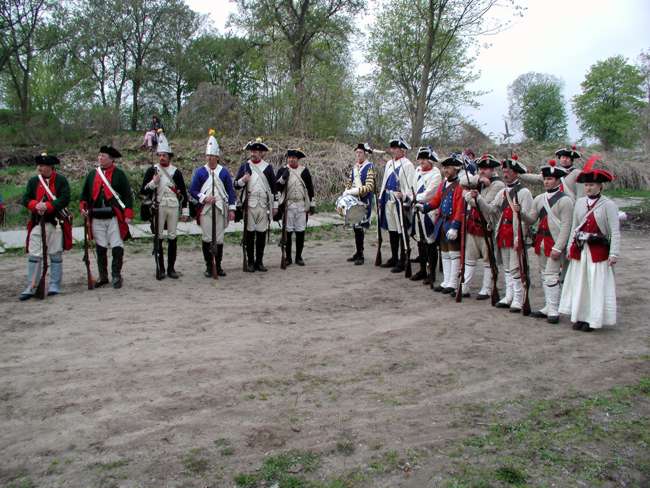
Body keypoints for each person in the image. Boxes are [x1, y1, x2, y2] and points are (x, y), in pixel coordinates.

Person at [559, 166, 620, 332]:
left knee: (595, 285)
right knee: (580, 284)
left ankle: (592, 319)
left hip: (598, 251)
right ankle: (579, 316)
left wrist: (614, 253)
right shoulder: (579, 203)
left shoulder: (608, 205)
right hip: (581, 250)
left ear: (600, 186)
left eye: (592, 185)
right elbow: (574, 227)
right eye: (586, 185)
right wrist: (570, 247)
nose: (588, 188)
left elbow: (615, 231)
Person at [474, 155, 533, 312]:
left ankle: (519, 299)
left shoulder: (524, 192)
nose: (505, 174)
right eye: (504, 171)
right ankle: (509, 296)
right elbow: (491, 209)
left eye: (509, 172)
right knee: (507, 268)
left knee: (516, 268)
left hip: (515, 235)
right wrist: (478, 198)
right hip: (503, 234)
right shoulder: (503, 192)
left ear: (516, 173)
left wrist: (519, 237)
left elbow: (526, 219)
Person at [517, 160, 574, 323]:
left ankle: (554, 310)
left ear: (557, 180)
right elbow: (531, 219)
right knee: (544, 275)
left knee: (551, 276)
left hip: (555, 243)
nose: (547, 181)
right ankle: (549, 306)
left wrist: (559, 247)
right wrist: (520, 213)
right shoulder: (539, 198)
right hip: (541, 241)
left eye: (550, 179)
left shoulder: (565, 200)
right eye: (545, 179)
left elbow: (566, 226)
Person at [19, 153, 72, 300]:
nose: (39, 168)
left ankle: (54, 284)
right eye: (39, 165)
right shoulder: (33, 181)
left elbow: (65, 198)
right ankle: (32, 286)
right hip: (38, 222)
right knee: (34, 254)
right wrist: (35, 205)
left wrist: (48, 206)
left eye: (42, 165)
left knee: (55, 254)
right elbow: (26, 199)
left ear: (50, 167)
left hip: (56, 223)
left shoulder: (61, 180)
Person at [80, 145, 134, 289]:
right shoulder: (92, 174)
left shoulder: (119, 174)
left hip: (114, 216)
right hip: (96, 215)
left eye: (103, 156)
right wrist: (83, 208)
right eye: (99, 155)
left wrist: (128, 213)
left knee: (117, 245)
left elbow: (127, 195)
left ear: (111, 159)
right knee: (101, 246)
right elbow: (84, 195)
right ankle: (103, 276)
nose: (100, 158)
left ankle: (116, 275)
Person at [139, 131, 190, 279]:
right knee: (159, 237)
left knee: (172, 237)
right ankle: (160, 268)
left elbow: (183, 193)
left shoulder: (176, 172)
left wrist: (185, 211)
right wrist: (153, 183)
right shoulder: (152, 170)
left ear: (169, 156)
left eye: (164, 155)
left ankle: (171, 268)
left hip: (173, 206)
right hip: (158, 206)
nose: (162, 157)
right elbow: (143, 191)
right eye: (160, 155)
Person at [189, 130, 236, 277]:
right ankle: (209, 267)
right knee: (207, 238)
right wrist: (204, 198)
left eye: (212, 156)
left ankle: (218, 266)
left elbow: (230, 191)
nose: (210, 158)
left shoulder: (224, 172)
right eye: (208, 156)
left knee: (219, 239)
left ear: (217, 157)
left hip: (221, 208)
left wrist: (232, 209)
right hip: (206, 210)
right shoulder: (200, 172)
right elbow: (193, 190)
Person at [419, 154, 465, 293]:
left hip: (452, 223)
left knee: (454, 253)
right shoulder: (443, 184)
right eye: (444, 168)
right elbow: (436, 200)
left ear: (456, 169)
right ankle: (446, 281)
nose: (445, 170)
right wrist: (424, 207)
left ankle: (453, 283)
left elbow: (460, 208)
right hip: (442, 222)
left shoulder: (460, 186)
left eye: (448, 168)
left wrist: (455, 227)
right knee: (444, 253)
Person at [461, 154, 505, 299]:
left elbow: (484, 205)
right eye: (480, 168)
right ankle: (465, 286)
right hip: (474, 224)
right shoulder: (479, 179)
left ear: (492, 170)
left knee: (488, 260)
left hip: (487, 226)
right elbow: (462, 181)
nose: (482, 171)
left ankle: (486, 289)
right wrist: (479, 180)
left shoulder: (498, 185)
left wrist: (468, 196)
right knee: (469, 258)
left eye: (485, 169)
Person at [234, 138, 277, 272]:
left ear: (262, 153)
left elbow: (274, 188)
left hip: (263, 205)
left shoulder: (268, 167)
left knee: (261, 234)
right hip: (249, 205)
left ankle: (259, 262)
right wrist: (243, 180)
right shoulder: (245, 166)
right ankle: (251, 262)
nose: (254, 153)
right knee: (249, 235)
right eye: (252, 151)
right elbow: (235, 185)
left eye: (257, 151)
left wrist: (275, 206)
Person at [377, 136, 415, 273]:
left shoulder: (408, 165)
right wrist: (381, 198)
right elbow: (384, 182)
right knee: (392, 230)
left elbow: (410, 185)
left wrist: (405, 197)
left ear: (402, 150)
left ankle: (403, 259)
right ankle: (394, 257)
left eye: (396, 148)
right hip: (388, 199)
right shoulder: (389, 163)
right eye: (392, 148)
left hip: (399, 201)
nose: (393, 151)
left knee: (401, 231)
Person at [275, 148, 315, 266]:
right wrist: (283, 179)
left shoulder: (304, 171)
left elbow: (310, 188)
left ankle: (298, 257)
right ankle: (288, 257)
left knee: (300, 231)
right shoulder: (283, 170)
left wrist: (312, 204)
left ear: (298, 159)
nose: (291, 159)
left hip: (301, 205)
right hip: (288, 205)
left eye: (294, 158)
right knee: (288, 232)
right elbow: (276, 187)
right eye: (290, 157)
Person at [408, 146, 441, 282]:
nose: (421, 162)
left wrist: (414, 198)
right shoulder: (417, 171)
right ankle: (422, 270)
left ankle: (431, 273)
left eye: (424, 159)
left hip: (429, 211)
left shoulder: (436, 174)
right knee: (420, 242)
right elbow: (412, 188)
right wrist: (410, 197)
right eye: (420, 159)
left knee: (430, 243)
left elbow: (429, 194)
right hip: (416, 209)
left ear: (430, 160)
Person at [341, 143, 376, 265]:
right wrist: (346, 190)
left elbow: (369, 186)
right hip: (354, 201)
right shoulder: (355, 167)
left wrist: (354, 191)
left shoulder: (370, 167)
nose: (358, 155)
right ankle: (357, 252)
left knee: (360, 228)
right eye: (357, 152)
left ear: (365, 154)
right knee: (355, 228)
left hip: (364, 201)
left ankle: (361, 255)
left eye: (360, 152)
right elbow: (349, 182)